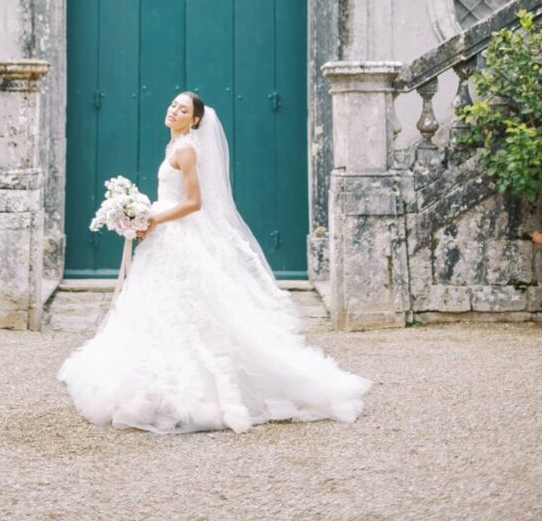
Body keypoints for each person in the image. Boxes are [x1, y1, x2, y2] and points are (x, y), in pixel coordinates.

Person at [56, 92, 374, 434]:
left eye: (183, 108)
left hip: (176, 236)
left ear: (194, 120)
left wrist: (153, 218)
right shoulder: (176, 145)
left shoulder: (186, 149)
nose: (174, 109)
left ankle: (198, 394)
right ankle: (155, 391)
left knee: (186, 314)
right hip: (165, 237)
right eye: (173, 104)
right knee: (159, 313)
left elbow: (194, 202)